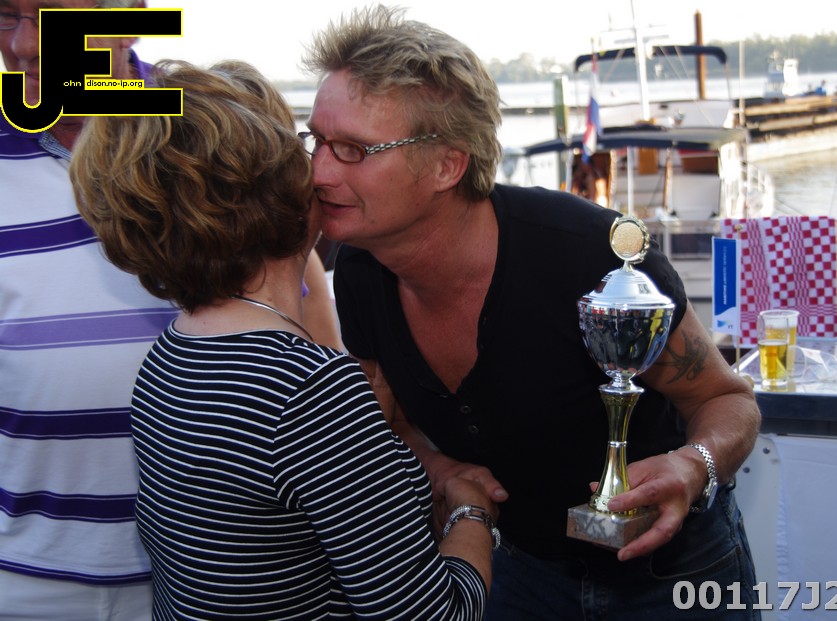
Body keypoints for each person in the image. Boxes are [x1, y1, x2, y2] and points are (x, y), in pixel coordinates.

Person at [303, 5, 762, 620]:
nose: (318, 171)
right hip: (516, 574)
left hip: (673, 577)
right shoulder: (361, 271)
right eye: (317, 140)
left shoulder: (590, 257)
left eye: (353, 150)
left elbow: (727, 400)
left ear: (447, 165)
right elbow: (389, 421)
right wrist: (440, 469)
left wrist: (693, 465)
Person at [69, 58, 496, 619]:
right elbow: (434, 613)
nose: (319, 167)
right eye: (304, 147)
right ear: (275, 189)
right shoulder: (307, 388)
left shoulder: (171, 357)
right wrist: (471, 512)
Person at [0, 2, 173, 619]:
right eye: (5, 15)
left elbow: (303, 329)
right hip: (24, 578)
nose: (23, 46)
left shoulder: (217, 135)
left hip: (212, 575)